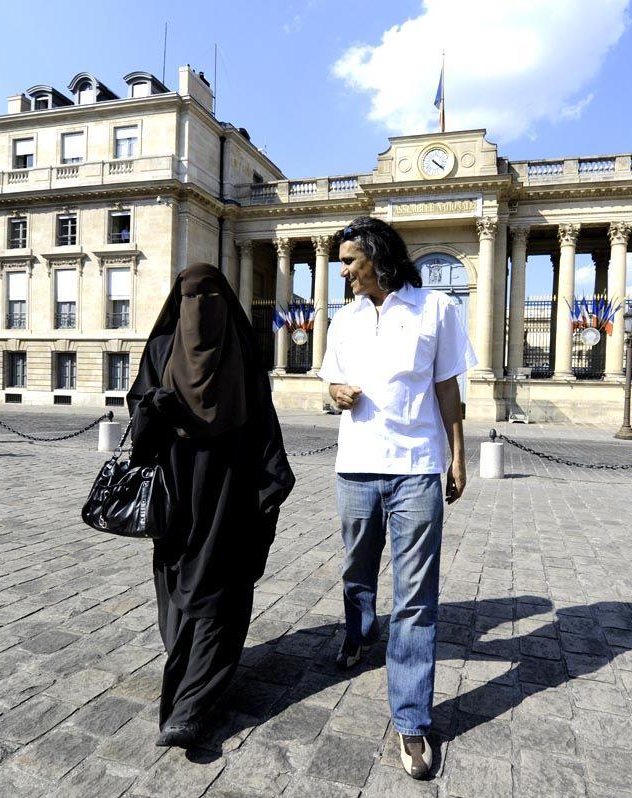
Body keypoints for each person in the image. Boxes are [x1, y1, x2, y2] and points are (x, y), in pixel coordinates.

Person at [319, 216, 476, 780]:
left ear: (380, 258)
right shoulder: (345, 318)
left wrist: (458, 458)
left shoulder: (437, 310)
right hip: (356, 467)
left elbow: (448, 389)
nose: (345, 273)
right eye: (342, 264)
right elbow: (330, 380)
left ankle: (411, 720)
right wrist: (336, 392)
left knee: (415, 596)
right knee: (357, 570)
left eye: (351, 263)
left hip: (416, 469)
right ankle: (359, 635)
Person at [126, 263, 295, 749]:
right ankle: (187, 673)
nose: (200, 308)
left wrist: (268, 486)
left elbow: (264, 427)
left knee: (220, 592)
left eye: (210, 296)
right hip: (176, 498)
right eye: (191, 297)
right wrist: (151, 409)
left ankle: (189, 710)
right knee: (177, 589)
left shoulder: (243, 355)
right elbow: (139, 436)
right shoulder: (160, 351)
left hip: (232, 496)